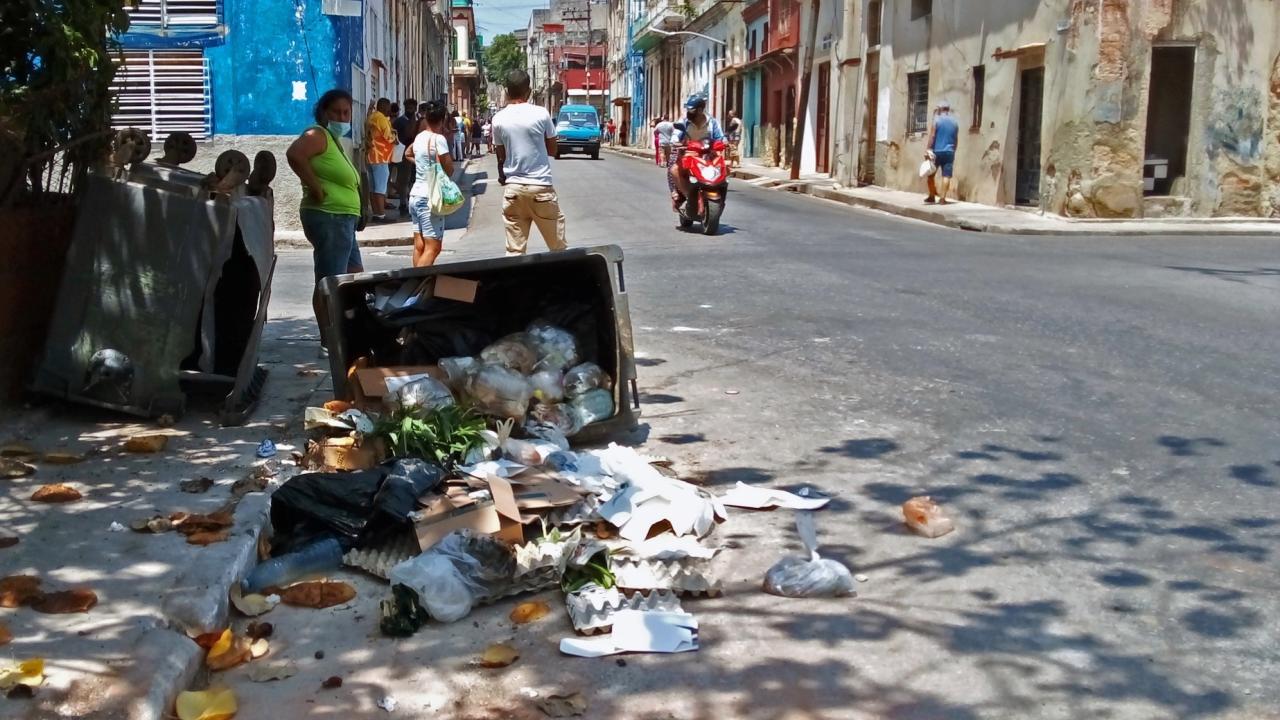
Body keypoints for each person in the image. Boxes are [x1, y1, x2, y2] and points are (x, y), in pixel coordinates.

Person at [285, 88, 363, 349]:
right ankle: (329, 341)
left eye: (346, 112)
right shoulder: (317, 134)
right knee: (331, 281)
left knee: (354, 277)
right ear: (323, 113)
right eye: (336, 112)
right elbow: (294, 155)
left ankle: (347, 332)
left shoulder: (333, 140)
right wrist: (316, 189)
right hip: (329, 216)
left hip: (344, 219)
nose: (342, 117)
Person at [492, 69, 568, 256]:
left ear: (507, 91)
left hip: (514, 190)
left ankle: (514, 285)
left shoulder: (498, 119)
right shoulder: (541, 114)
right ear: (529, 91)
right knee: (558, 249)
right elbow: (553, 149)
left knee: (514, 252)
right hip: (540, 188)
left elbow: (501, 154)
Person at [404, 101, 455, 267]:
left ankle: (415, 284)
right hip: (430, 198)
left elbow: (408, 153)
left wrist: (421, 165)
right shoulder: (438, 139)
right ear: (443, 119)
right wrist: (438, 171)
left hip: (415, 195)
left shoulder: (419, 137)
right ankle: (418, 285)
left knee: (420, 245)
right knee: (433, 247)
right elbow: (449, 167)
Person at [669, 96, 725, 209]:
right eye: (688, 110)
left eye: (692, 110)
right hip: (689, 154)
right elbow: (675, 135)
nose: (688, 112)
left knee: (725, 169)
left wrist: (725, 142)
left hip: (709, 155)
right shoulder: (684, 121)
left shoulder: (712, 122)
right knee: (674, 170)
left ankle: (720, 194)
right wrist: (676, 142)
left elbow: (720, 137)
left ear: (700, 110)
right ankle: (688, 196)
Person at [364, 97, 395, 222]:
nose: (389, 109)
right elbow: (389, 137)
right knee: (380, 188)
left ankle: (376, 214)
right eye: (388, 107)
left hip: (371, 156)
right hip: (380, 156)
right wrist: (395, 138)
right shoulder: (381, 118)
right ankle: (381, 214)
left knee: (373, 187)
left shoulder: (372, 117)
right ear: (383, 106)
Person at [925, 99, 960, 205]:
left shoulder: (937, 120)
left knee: (930, 175)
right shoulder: (955, 122)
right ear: (948, 109)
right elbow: (956, 139)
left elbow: (932, 136)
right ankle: (942, 198)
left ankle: (931, 196)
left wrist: (928, 149)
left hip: (937, 152)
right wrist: (953, 150)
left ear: (940, 109)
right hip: (949, 152)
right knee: (946, 175)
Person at [392, 98, 419, 218]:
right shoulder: (401, 121)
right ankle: (403, 204)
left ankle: (409, 203)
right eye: (408, 107)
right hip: (403, 155)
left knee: (412, 180)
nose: (410, 110)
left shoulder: (415, 120)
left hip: (414, 154)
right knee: (404, 180)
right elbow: (408, 135)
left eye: (412, 108)